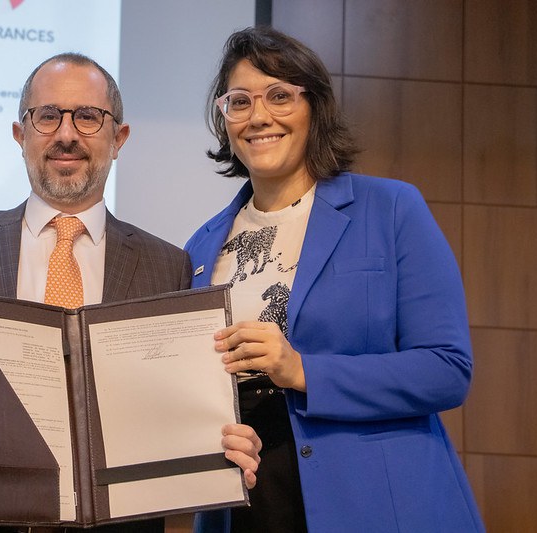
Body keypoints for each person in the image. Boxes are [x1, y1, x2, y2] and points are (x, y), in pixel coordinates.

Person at [0, 53, 261, 532]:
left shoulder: (166, 264)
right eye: (47, 116)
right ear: (20, 135)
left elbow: (178, 402)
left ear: (119, 138)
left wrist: (220, 444)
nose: (66, 134)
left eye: (88, 117)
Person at [185, 27, 485, 532]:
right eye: (239, 102)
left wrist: (304, 370)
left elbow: (446, 370)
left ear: (315, 108)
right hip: (246, 503)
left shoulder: (391, 209)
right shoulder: (200, 246)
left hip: (373, 503)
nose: (258, 117)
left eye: (280, 96)